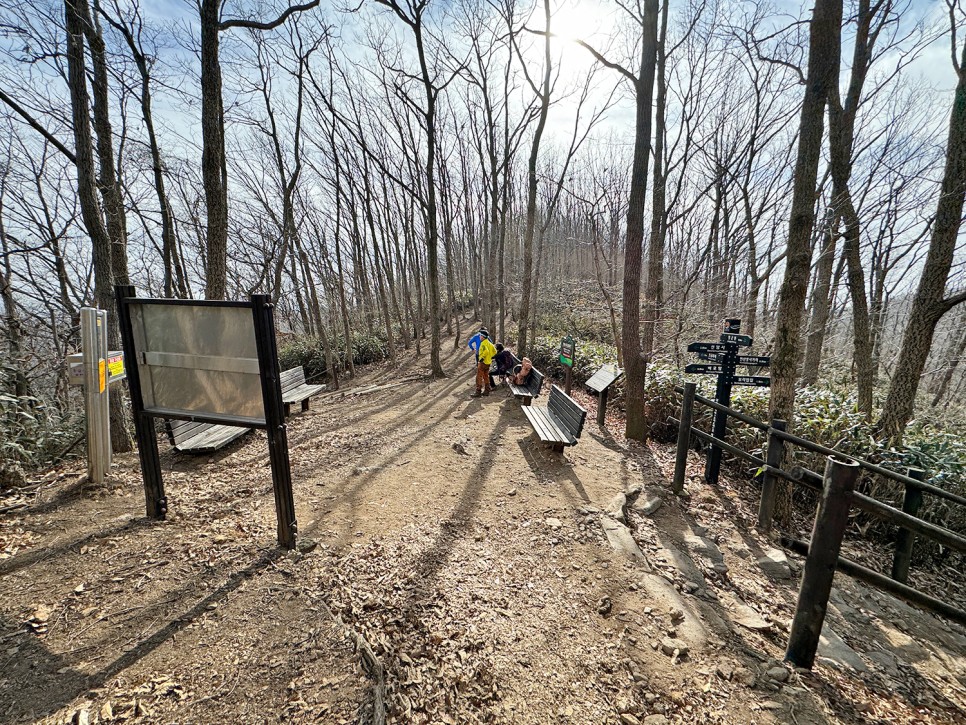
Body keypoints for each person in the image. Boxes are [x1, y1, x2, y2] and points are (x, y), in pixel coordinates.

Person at [473, 330, 497, 397]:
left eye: (480, 335)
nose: (479, 337)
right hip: (488, 363)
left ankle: (478, 392)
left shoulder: (483, 343)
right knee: (486, 376)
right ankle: (487, 391)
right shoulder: (489, 343)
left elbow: (486, 351)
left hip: (483, 363)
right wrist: (490, 357)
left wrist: (482, 359)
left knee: (479, 377)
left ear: (483, 337)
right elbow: (495, 351)